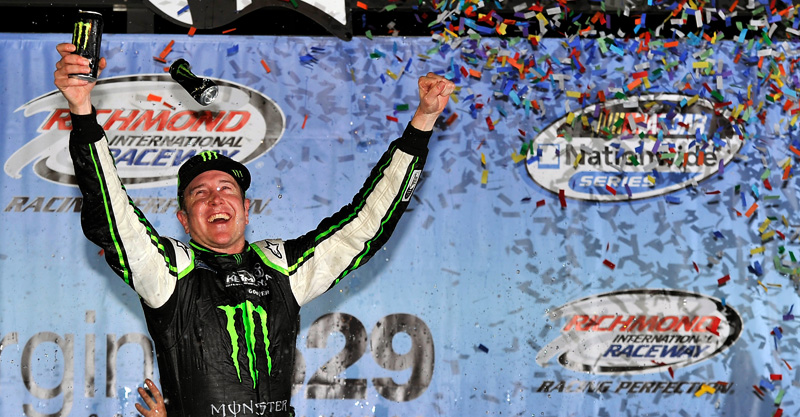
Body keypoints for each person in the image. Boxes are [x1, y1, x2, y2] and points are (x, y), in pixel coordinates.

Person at [54, 42, 454, 417]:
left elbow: (363, 226)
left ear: (246, 210)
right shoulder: (169, 272)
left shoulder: (282, 266)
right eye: (199, 194)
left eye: (226, 189)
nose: (215, 199)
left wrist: (422, 122)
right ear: (184, 219)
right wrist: (82, 112)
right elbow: (115, 220)